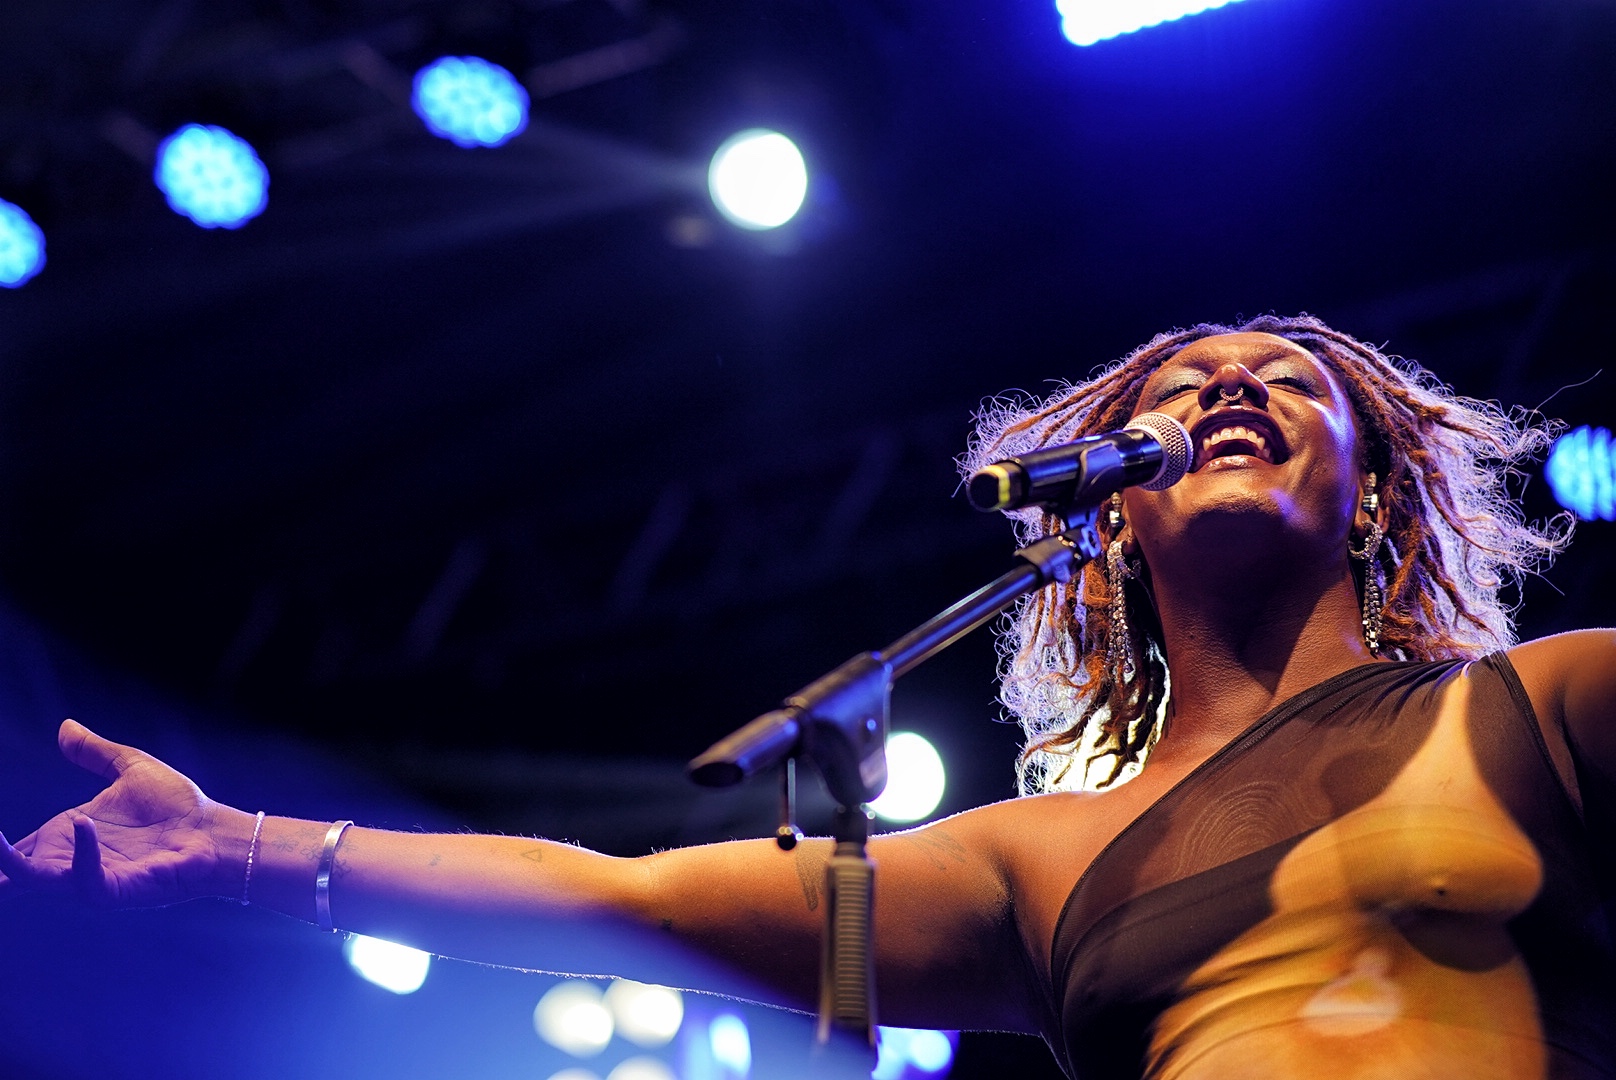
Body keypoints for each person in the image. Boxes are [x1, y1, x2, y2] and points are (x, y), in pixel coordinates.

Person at [2, 314, 1611, 1078]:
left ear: (1379, 494)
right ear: (1108, 513)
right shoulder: (1041, 864)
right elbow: (616, 902)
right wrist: (238, 848)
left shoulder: (1543, 711)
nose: (1230, 388)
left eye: (1288, 379)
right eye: (1184, 385)